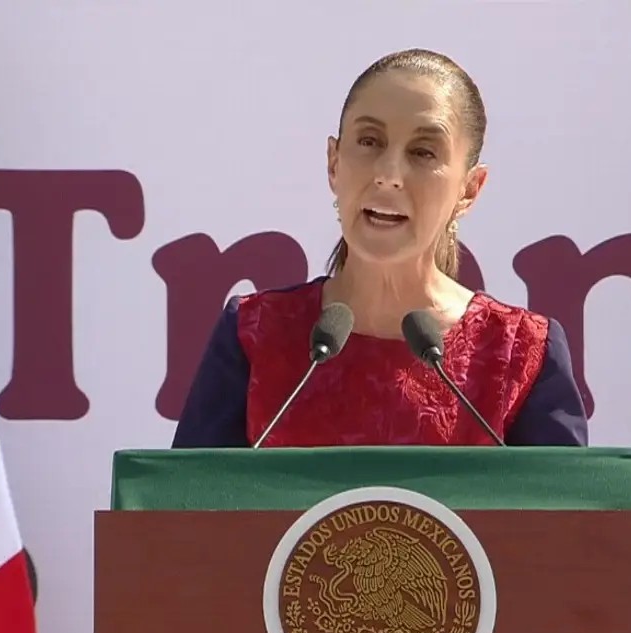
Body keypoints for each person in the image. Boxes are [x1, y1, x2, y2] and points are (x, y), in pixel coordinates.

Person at [171, 48, 588, 449]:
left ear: (469, 189)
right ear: (334, 163)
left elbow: (564, 502)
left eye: (423, 152)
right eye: (369, 141)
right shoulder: (255, 335)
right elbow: (187, 496)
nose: (388, 174)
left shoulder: (520, 353)